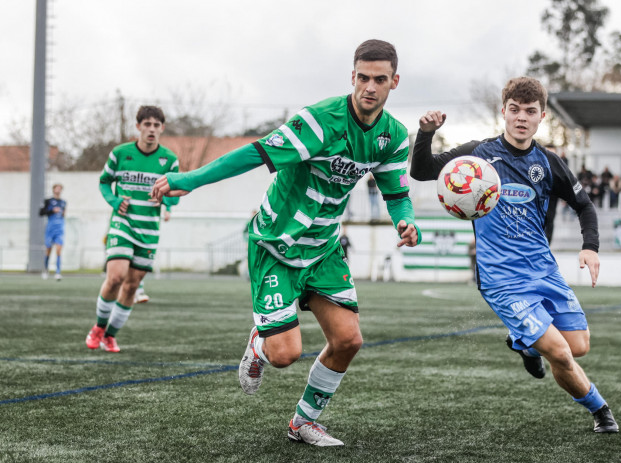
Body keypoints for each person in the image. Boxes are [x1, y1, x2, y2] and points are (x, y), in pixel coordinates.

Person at [151, 39, 421, 447]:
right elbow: (254, 154)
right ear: (352, 77)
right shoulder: (319, 122)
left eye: (379, 79)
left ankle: (303, 423)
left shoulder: (394, 136)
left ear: (394, 82)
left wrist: (406, 223)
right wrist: (188, 180)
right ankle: (259, 345)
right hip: (277, 244)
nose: (369, 86)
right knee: (284, 354)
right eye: (362, 77)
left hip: (325, 248)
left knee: (349, 340)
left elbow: (397, 193)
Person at [410, 76, 618, 433]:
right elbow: (423, 170)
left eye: (530, 111)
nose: (521, 117)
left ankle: (525, 346)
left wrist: (590, 246)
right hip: (501, 279)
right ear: (503, 112)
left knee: (578, 345)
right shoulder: (478, 153)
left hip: (544, 271)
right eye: (514, 110)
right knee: (561, 353)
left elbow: (584, 206)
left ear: (541, 117)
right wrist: (426, 133)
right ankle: (601, 412)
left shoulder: (549, 163)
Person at [85, 106, 180, 353]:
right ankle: (98, 327)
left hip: (149, 228)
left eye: (156, 125)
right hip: (122, 223)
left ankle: (111, 335)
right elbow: (104, 182)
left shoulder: (169, 160)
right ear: (138, 126)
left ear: (162, 128)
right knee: (116, 277)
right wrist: (115, 201)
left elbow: (175, 192)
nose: (151, 129)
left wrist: (167, 203)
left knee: (131, 285)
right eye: (147, 124)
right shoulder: (120, 153)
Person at [133, 205, 172, 304]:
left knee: (138, 265)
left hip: (146, 230)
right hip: (127, 227)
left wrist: (168, 208)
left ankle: (137, 291)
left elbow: (169, 191)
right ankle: (135, 291)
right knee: (124, 264)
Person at [39, 183, 67, 280]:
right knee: (48, 250)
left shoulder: (63, 202)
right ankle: (46, 269)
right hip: (50, 228)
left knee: (59, 250)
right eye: (57, 188)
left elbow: (64, 214)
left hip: (59, 229)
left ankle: (58, 272)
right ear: (53, 189)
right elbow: (41, 212)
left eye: (60, 188)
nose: (58, 190)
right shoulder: (48, 201)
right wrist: (52, 211)